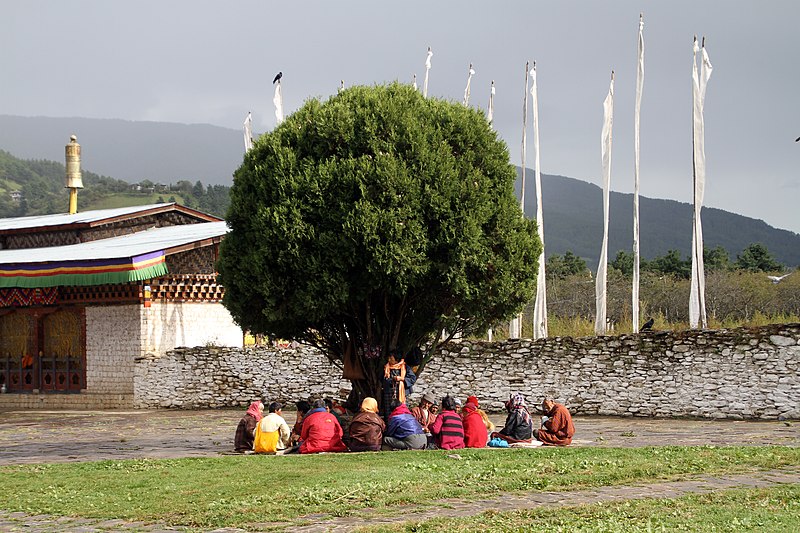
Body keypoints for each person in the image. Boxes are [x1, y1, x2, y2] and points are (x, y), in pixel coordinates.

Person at [381, 351, 407, 420]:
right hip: (389, 393)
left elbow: (411, 378)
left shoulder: (404, 367)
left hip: (400, 393)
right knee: (388, 412)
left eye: (391, 358)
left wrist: (401, 379)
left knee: (400, 410)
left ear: (396, 360)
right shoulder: (386, 367)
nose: (389, 360)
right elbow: (383, 380)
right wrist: (392, 379)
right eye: (388, 358)